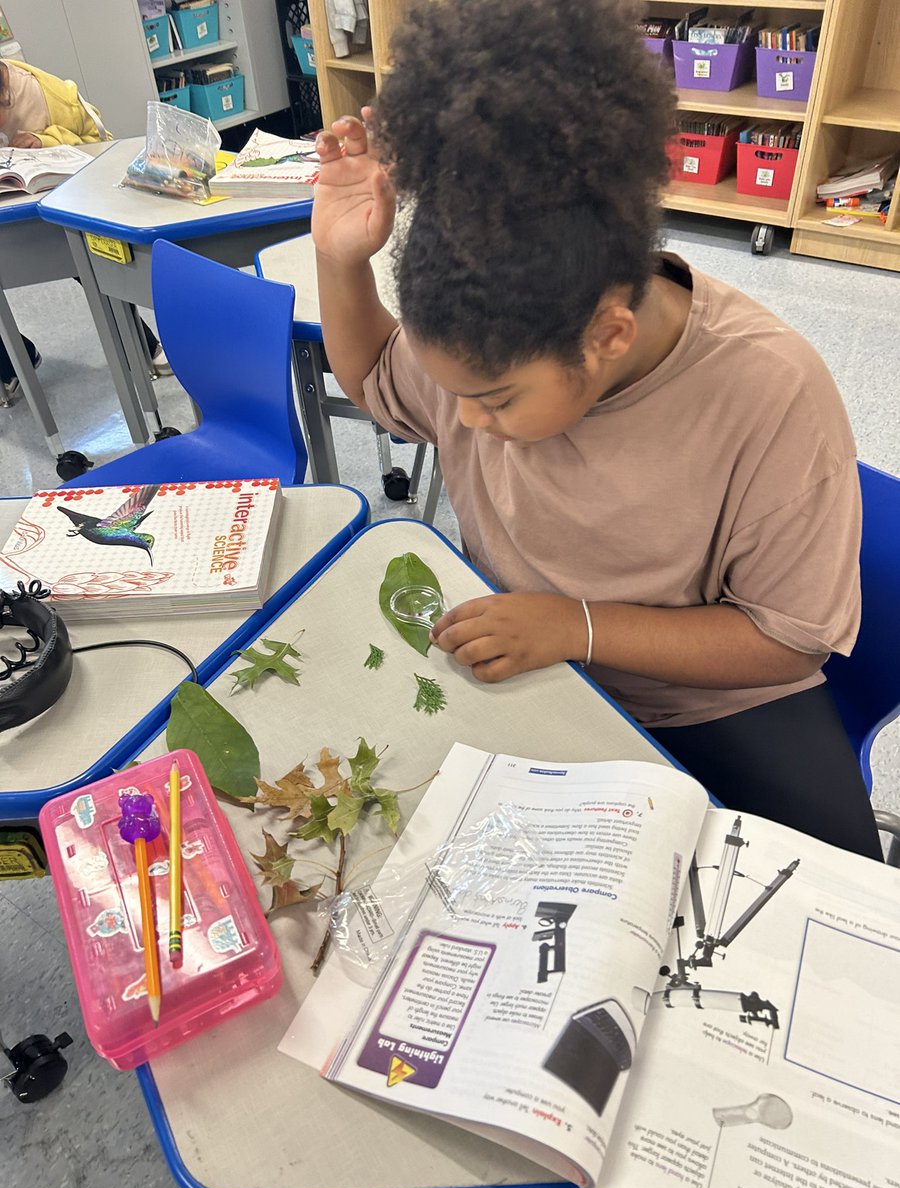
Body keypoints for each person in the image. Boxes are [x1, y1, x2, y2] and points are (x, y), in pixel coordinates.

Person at [312, 0, 882, 860]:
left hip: (707, 703)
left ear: (608, 335)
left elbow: (782, 640)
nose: (462, 422)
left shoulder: (770, 392)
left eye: (497, 400)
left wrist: (576, 626)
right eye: (453, 391)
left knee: (833, 935)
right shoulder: (486, 331)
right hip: (535, 670)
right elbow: (374, 381)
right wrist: (337, 259)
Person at [0, 59, 171, 383]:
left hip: (59, 206)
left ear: (5, 95)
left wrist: (45, 140)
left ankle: (143, 344)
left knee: (91, 264)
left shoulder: (46, 95)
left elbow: (98, 144)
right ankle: (12, 362)